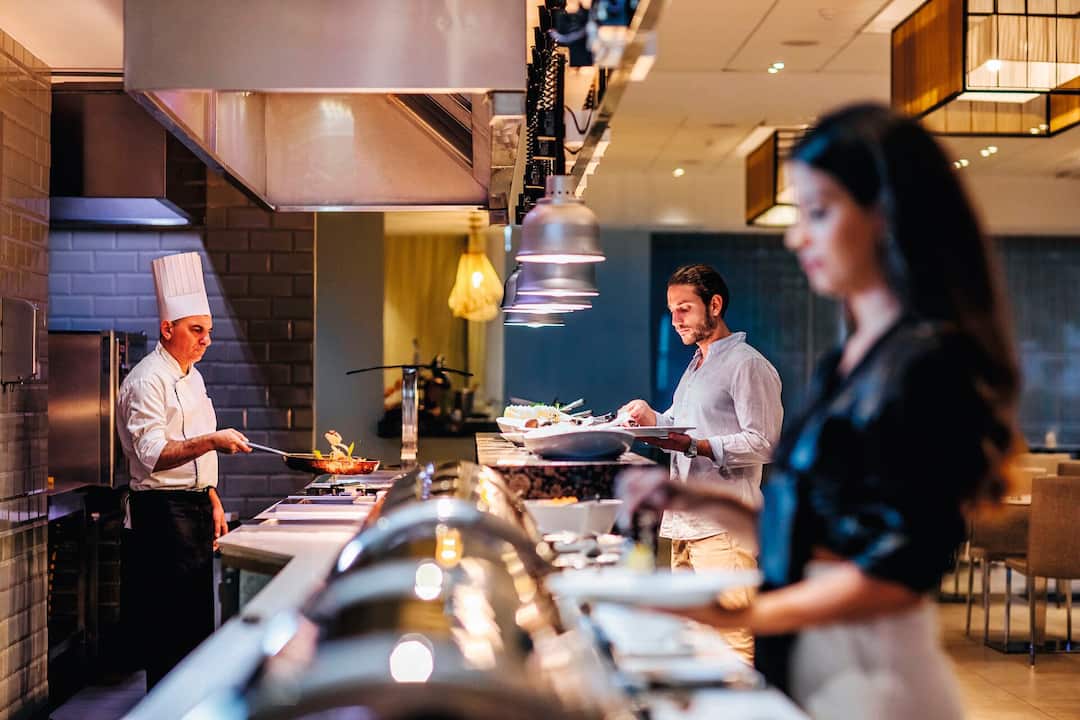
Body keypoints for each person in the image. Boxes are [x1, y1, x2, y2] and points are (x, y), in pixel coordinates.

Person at [619, 103, 1019, 720]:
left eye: (819, 212)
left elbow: (891, 576)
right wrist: (690, 498)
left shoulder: (930, 363)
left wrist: (735, 614)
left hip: (876, 689)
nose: (796, 236)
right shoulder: (849, 360)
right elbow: (814, 532)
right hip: (816, 675)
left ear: (888, 215)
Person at [619, 263, 783, 663]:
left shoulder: (747, 364)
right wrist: (650, 418)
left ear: (715, 305)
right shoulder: (697, 364)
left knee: (733, 640)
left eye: (684, 309)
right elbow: (682, 427)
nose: (675, 320)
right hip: (684, 526)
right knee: (695, 642)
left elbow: (764, 442)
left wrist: (696, 446)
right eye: (672, 310)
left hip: (725, 529)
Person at [117, 252, 252, 689]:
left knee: (195, 627)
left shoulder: (192, 376)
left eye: (208, 331)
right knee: (168, 631)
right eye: (197, 330)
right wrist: (214, 441)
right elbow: (153, 454)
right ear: (167, 329)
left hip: (192, 509)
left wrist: (211, 496)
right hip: (161, 514)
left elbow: (190, 446)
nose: (206, 340)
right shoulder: (146, 380)